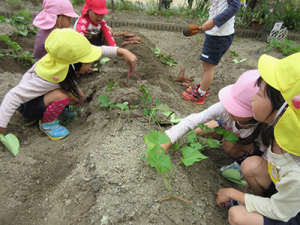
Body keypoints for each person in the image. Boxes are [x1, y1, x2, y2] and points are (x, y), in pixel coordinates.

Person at [0, 28, 137, 140]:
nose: (92, 62)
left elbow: (100, 51)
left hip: (41, 96)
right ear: (74, 63)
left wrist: (123, 51)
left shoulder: (64, 59)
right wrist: (1, 128)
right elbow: (13, 96)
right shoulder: (46, 79)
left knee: (79, 97)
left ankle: (56, 107)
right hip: (28, 106)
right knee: (61, 95)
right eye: (88, 61)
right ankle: (47, 123)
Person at [216, 53, 300, 224]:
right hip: (286, 195)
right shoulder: (278, 130)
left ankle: (254, 208)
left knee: (237, 216)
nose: (253, 96)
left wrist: (235, 193)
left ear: (283, 111)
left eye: (260, 94)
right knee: (250, 166)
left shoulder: (295, 170)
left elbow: (281, 210)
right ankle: (258, 203)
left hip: (290, 212)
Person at [162, 70, 267, 176]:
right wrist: (168, 139)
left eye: (237, 109)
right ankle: (225, 143)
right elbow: (193, 120)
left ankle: (240, 163)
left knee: (229, 144)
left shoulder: (264, 126)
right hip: (229, 132)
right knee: (199, 130)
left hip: (252, 145)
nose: (230, 109)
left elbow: (267, 153)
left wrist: (253, 168)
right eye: (231, 103)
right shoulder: (224, 108)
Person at [181, 0, 240, 105]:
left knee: (209, 67)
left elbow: (235, 7)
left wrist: (214, 21)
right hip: (214, 34)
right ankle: (203, 88)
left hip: (220, 36)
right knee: (205, 63)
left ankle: (200, 95)